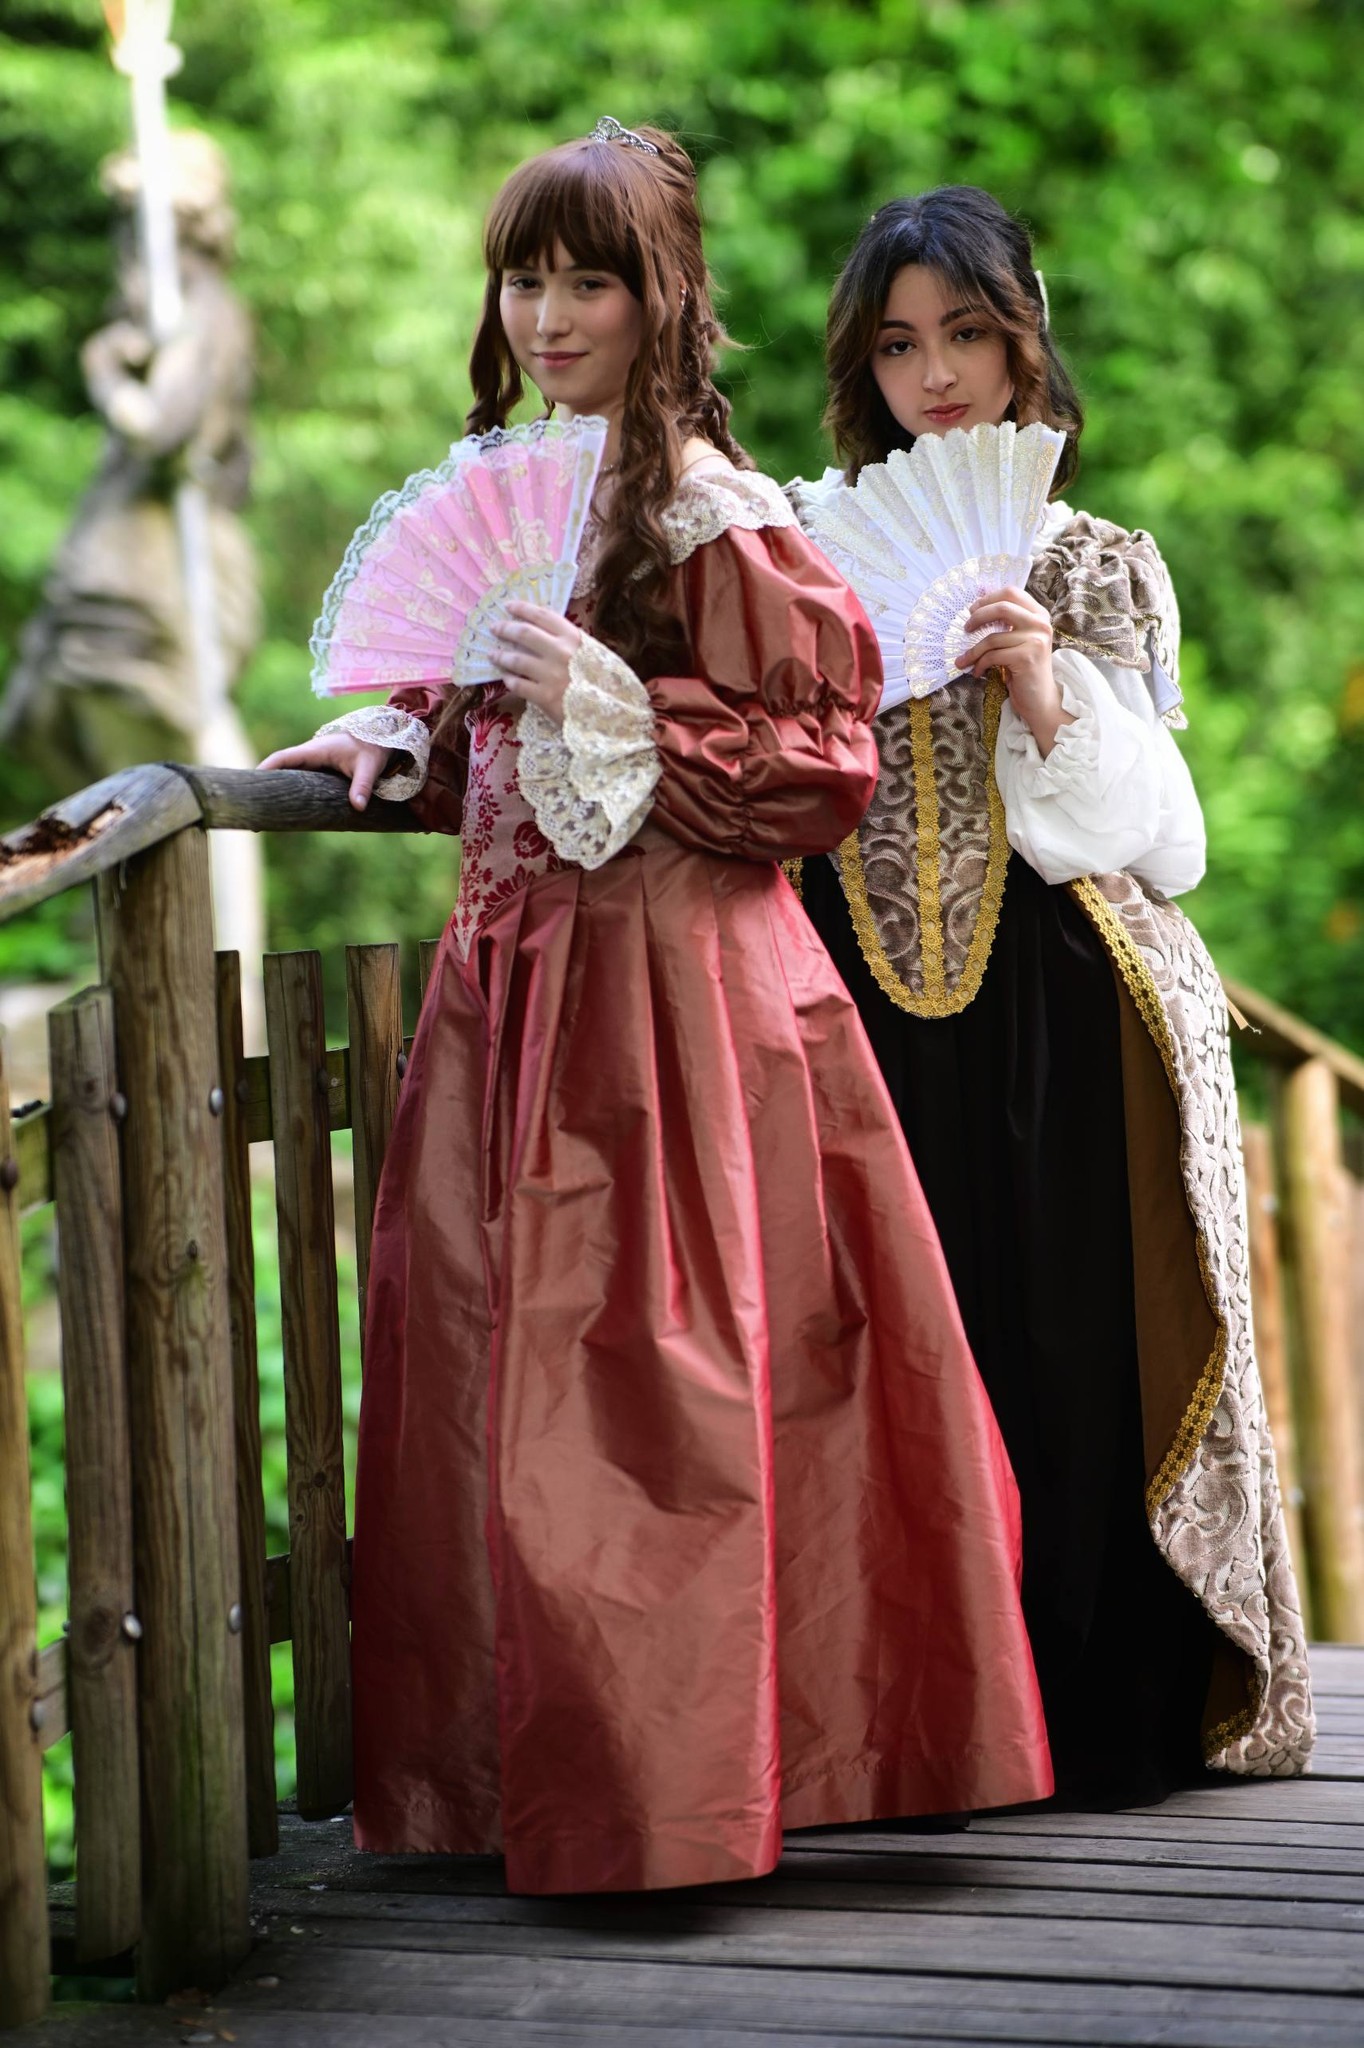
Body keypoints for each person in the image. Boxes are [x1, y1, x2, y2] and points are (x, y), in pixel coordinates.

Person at [262, 126, 1052, 1895]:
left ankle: (683, 1795)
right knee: (509, 1380)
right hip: (517, 990)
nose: (547, 317)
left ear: (660, 298)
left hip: (673, 1002)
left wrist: (615, 699)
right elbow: (501, 720)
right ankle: (527, 1781)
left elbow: (820, 760)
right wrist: (402, 727)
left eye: (588, 282)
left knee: (664, 1390)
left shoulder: (711, 506)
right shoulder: (534, 485)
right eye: (524, 279)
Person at [787, 185, 1313, 1805]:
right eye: (898, 346)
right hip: (865, 1013)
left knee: (1077, 1351)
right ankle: (918, 1720)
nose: (935, 375)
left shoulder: (1096, 561)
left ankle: (1092, 1720)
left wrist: (1037, 680)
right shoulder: (805, 557)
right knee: (904, 1346)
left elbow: (1168, 845)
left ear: (1024, 342)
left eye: (965, 334)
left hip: (1071, 1015)